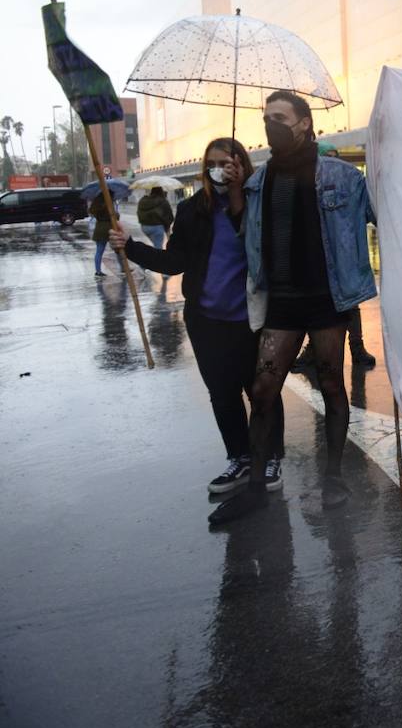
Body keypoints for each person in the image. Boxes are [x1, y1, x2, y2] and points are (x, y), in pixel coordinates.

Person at [208, 90, 376, 525]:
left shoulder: (344, 177)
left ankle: (334, 478)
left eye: (280, 117)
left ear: (304, 123)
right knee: (263, 391)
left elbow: (383, 213)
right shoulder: (259, 181)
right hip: (281, 303)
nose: (271, 124)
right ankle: (257, 488)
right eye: (266, 118)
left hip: (326, 300)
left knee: (332, 385)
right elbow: (247, 233)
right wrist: (232, 191)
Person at [112, 138, 286, 495]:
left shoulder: (259, 204)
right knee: (222, 395)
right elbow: (175, 261)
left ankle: (269, 457)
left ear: (243, 165)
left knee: (262, 392)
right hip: (206, 321)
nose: (220, 168)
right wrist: (130, 248)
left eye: (228, 161)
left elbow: (272, 251)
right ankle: (239, 457)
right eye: (214, 162)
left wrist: (239, 195)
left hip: (252, 320)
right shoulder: (193, 210)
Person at [293, 142, 377, 370]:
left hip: (344, 264)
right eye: (328, 157)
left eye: (335, 156)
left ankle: (357, 349)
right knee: (318, 311)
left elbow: (369, 214)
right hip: (317, 266)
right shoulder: (303, 186)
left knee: (351, 306)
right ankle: (312, 350)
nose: (334, 162)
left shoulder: (348, 182)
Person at [89, 195, 113, 278]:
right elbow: (114, 216)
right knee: (119, 249)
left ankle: (98, 271)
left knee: (99, 251)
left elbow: (92, 212)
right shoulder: (108, 204)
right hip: (108, 229)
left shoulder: (96, 205)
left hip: (99, 228)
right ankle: (124, 268)